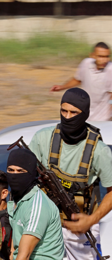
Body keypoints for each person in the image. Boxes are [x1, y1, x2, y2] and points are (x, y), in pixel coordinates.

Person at [29, 88, 112, 259]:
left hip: (80, 233)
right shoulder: (42, 139)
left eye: (74, 112)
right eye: (63, 110)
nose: (67, 117)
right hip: (43, 225)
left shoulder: (99, 151)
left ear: (85, 115)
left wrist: (92, 220)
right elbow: (24, 178)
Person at [6, 149, 64, 260]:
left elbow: (24, 255)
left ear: (32, 174)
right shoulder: (18, 199)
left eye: (20, 171)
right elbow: (15, 249)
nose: (14, 175)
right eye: (10, 170)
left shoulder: (37, 205)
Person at [50, 42, 112, 121]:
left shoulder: (110, 69)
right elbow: (78, 79)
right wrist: (62, 87)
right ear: (92, 55)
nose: (104, 60)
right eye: (100, 56)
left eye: (107, 56)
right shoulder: (86, 64)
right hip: (85, 114)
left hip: (103, 118)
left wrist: (109, 116)